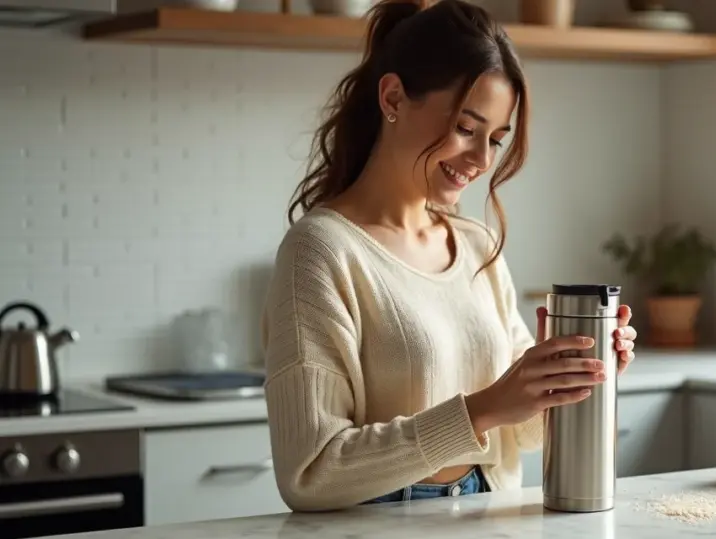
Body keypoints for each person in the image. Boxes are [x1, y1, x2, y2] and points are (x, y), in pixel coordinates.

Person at [260, 0, 637, 511]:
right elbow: (311, 473)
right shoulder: (321, 251)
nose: (481, 160)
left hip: (490, 511)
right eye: (465, 128)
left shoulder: (476, 245)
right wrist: (481, 411)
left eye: (496, 140)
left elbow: (524, 430)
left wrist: (582, 373)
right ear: (393, 97)